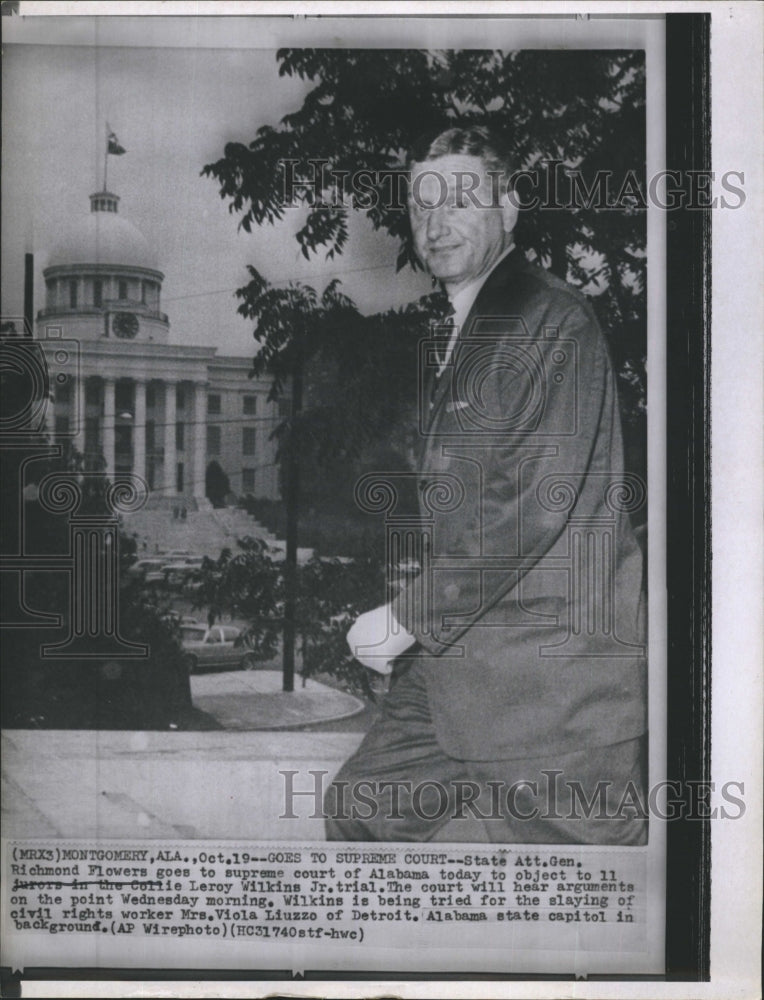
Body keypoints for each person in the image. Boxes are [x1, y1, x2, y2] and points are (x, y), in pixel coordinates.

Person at [325, 126, 647, 843]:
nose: (435, 226)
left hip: (555, 687)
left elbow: (535, 508)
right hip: (466, 668)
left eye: (459, 200)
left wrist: (408, 616)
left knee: (583, 906)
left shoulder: (549, 317)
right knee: (362, 809)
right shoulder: (476, 324)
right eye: (420, 206)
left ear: (511, 207)